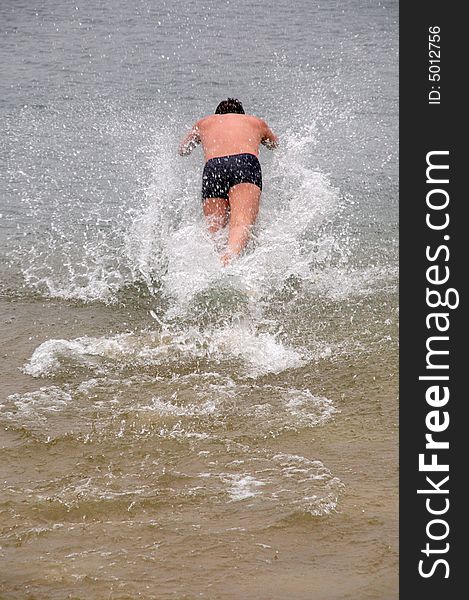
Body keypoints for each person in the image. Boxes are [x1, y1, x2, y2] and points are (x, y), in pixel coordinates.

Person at [178, 98, 278, 265]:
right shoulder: (255, 122)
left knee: (214, 230)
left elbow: (183, 150)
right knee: (241, 223)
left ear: (218, 115)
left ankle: (212, 266)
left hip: (213, 167)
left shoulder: (204, 123)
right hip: (244, 162)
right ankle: (228, 260)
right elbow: (274, 144)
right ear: (241, 114)